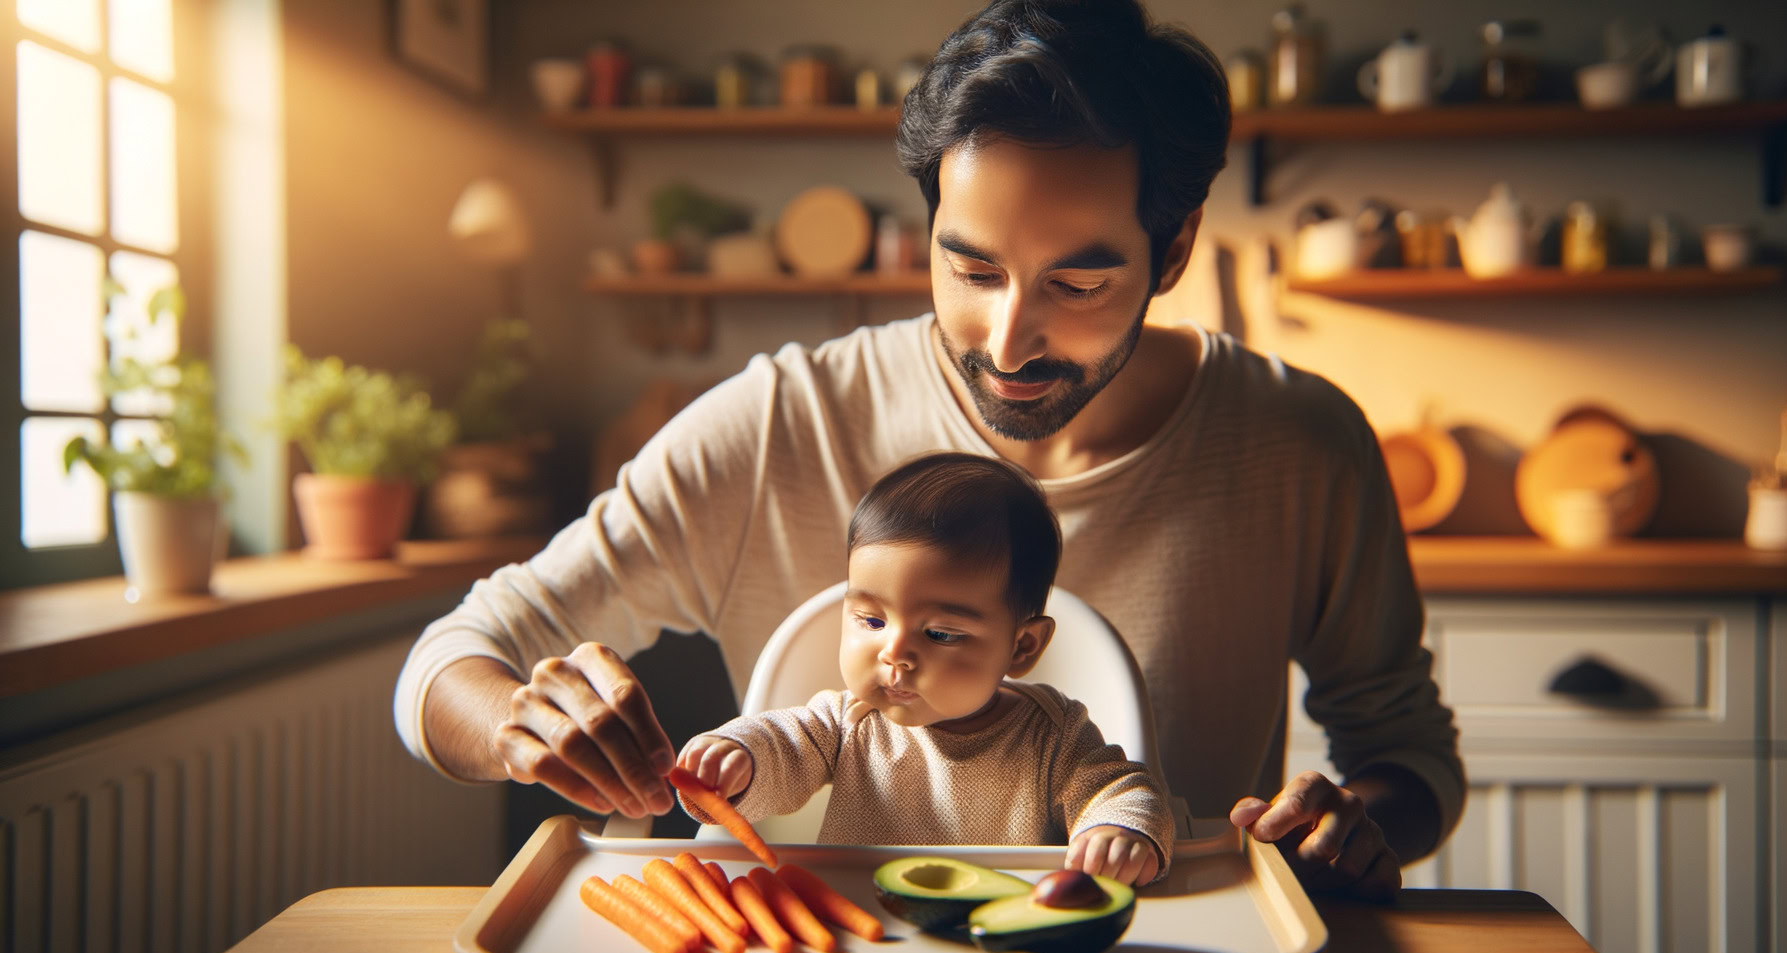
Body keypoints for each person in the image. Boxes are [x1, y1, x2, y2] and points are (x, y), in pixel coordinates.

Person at [394, 0, 1463, 901]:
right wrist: (522, 724)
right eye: (971, 269)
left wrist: (1350, 821)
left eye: (1078, 284)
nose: (1008, 342)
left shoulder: (1298, 441)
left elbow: (1408, 757)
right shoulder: (779, 423)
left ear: (1173, 245)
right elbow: (446, 665)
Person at [676, 452, 1173, 886]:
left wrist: (1120, 831)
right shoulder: (847, 724)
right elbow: (783, 747)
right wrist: (737, 757)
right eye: (872, 620)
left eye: (938, 633)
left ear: (1021, 646)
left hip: (1006, 946)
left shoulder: (1054, 735)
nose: (894, 653)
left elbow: (1122, 787)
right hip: (864, 936)